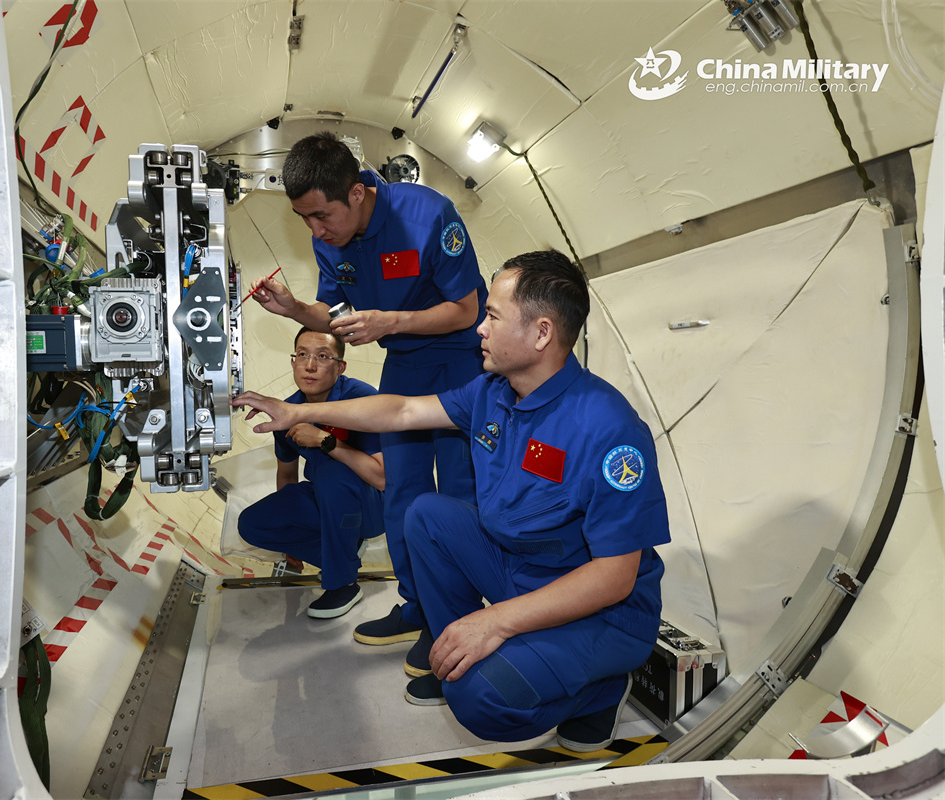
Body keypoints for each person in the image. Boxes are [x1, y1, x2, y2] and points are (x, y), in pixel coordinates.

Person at [233, 251, 670, 749]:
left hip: (602, 611)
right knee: (426, 514)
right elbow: (401, 411)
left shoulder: (608, 429)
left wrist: (494, 621)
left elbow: (614, 578)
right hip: (521, 570)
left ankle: (599, 691)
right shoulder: (493, 392)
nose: (479, 328)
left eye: (493, 316)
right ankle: (457, 649)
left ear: (541, 333)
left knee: (479, 697)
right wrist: (295, 414)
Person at [248, 132, 487, 672]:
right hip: (403, 360)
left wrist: (390, 321)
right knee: (402, 489)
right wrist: (294, 309)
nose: (316, 230)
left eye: (322, 215)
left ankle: (455, 617)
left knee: (457, 491)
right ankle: (418, 606)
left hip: (459, 360)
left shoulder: (429, 215)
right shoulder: (330, 239)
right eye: (304, 219)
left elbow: (466, 310)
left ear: (357, 193)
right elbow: (333, 316)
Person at [237, 328, 386, 619]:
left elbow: (381, 478)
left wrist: (325, 441)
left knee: (332, 472)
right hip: (324, 502)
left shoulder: (362, 399)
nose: (310, 365)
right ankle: (341, 554)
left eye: (323, 356)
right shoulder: (287, 411)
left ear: (341, 367)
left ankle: (342, 584)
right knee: (252, 524)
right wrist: (290, 534)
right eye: (302, 355)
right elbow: (287, 476)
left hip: (373, 506)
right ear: (293, 362)